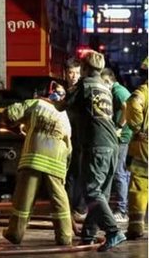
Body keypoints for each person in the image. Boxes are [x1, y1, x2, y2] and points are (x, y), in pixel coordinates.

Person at [57, 51, 126, 251]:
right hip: (112, 145)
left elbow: (63, 106)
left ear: (85, 68)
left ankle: (113, 231)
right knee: (100, 193)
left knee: (91, 191)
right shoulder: (104, 87)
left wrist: (45, 102)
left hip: (97, 146)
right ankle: (88, 235)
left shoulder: (84, 85)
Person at [0, 83, 74, 246]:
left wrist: (16, 124)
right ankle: (65, 236)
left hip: (34, 158)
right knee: (59, 199)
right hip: (57, 162)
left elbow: (11, 114)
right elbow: (69, 146)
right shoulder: (64, 115)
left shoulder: (36, 104)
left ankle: (15, 233)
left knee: (24, 199)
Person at [101, 68, 132, 223]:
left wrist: (119, 126)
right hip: (124, 137)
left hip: (123, 138)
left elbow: (128, 107)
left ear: (107, 81)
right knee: (122, 173)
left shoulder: (118, 92)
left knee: (119, 172)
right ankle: (122, 208)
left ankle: (121, 210)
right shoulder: (119, 90)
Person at [62, 57, 86, 223]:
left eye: (77, 73)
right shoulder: (65, 91)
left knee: (77, 174)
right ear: (65, 73)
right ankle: (68, 208)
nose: (74, 76)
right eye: (71, 72)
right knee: (68, 174)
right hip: (65, 138)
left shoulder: (81, 90)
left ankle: (79, 208)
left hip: (78, 139)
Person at [124, 80, 148, 240]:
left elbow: (133, 104)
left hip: (145, 144)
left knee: (140, 181)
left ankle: (136, 226)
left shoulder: (144, 91)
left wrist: (138, 128)